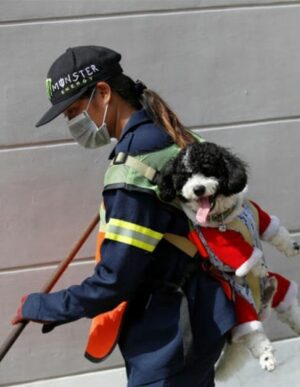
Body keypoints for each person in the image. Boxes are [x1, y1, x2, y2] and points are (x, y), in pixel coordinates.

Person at [11, 46, 235, 387]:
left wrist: (42, 306)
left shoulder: (134, 165)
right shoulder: (173, 137)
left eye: (73, 111)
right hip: (204, 315)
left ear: (103, 92)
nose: (73, 124)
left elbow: (114, 281)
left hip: (170, 334)